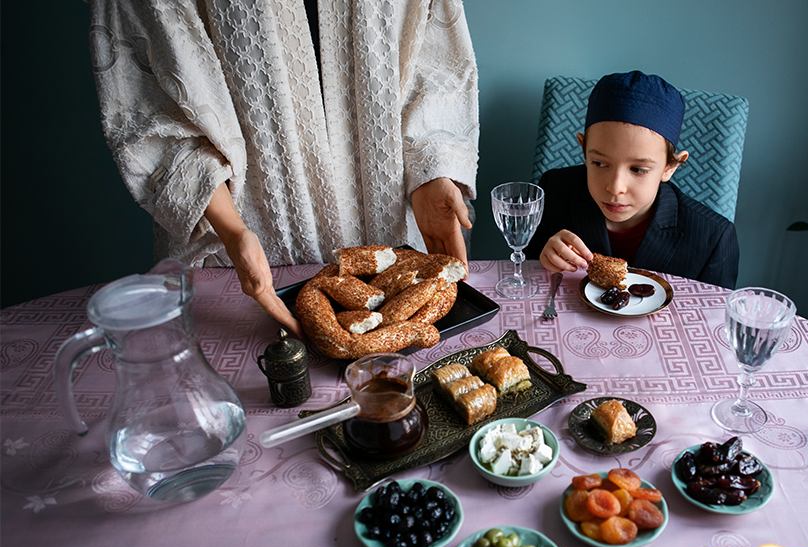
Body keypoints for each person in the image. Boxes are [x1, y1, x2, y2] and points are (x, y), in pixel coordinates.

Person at [89, 0, 480, 336]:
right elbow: (147, 98)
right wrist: (232, 230)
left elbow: (436, 62)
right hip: (241, 249)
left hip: (392, 242)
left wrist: (432, 171)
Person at [525, 71, 738, 289]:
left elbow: (716, 318)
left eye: (638, 169)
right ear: (584, 150)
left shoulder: (713, 238)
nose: (615, 187)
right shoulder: (554, 190)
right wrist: (541, 260)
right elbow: (521, 269)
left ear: (669, 167)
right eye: (599, 163)